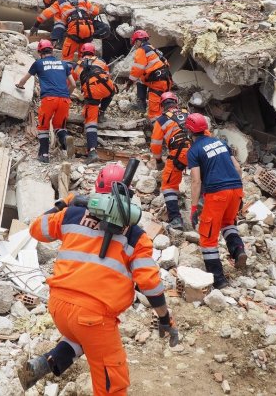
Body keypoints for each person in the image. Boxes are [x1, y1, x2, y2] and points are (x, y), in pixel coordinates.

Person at [20, 163, 179, 395]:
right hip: (92, 317)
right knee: (113, 383)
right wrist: (165, 317)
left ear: (96, 189)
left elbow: (36, 229)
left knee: (82, 339)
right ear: (128, 194)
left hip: (58, 307)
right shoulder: (135, 235)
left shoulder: (71, 215)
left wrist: (64, 203)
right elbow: (150, 284)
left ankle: (45, 363)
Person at [185, 113, 247, 289]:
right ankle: (238, 250)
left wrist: (194, 207)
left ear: (189, 132)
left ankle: (219, 279)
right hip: (236, 188)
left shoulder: (194, 151)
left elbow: (196, 181)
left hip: (217, 193)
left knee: (207, 237)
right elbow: (237, 168)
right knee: (228, 222)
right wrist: (238, 191)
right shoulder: (221, 142)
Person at [16, 40, 75, 163]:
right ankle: (65, 139)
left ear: (39, 52)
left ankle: (44, 154)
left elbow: (24, 79)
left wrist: (20, 85)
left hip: (49, 99)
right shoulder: (63, 64)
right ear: (52, 51)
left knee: (43, 126)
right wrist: (65, 95)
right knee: (59, 126)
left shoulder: (38, 63)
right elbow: (73, 84)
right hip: (64, 99)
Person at [149, 92, 190, 230]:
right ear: (176, 102)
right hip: (198, 150)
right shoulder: (187, 113)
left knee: (168, 185)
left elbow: (155, 144)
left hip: (179, 153)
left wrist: (159, 159)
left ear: (162, 106)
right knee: (203, 177)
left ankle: (175, 218)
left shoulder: (161, 120)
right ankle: (202, 201)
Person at [31, 0, 101, 62]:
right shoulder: (83, 0)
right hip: (88, 30)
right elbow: (96, 11)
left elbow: (45, 14)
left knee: (66, 58)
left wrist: (36, 25)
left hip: (74, 31)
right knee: (84, 58)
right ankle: (83, 71)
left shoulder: (60, 3)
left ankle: (67, 72)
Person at [71, 43, 116, 164]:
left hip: (93, 93)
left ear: (81, 53)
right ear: (93, 53)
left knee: (91, 123)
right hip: (108, 88)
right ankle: (102, 112)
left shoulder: (77, 65)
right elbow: (107, 75)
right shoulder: (101, 62)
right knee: (112, 90)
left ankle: (92, 151)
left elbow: (72, 82)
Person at [127, 30, 172, 121]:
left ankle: (156, 129)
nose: (135, 46)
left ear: (138, 41)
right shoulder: (153, 49)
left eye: (135, 43)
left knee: (154, 113)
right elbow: (167, 64)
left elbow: (137, 69)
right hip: (166, 80)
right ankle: (141, 104)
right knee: (141, 80)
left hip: (158, 83)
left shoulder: (141, 50)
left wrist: (129, 82)